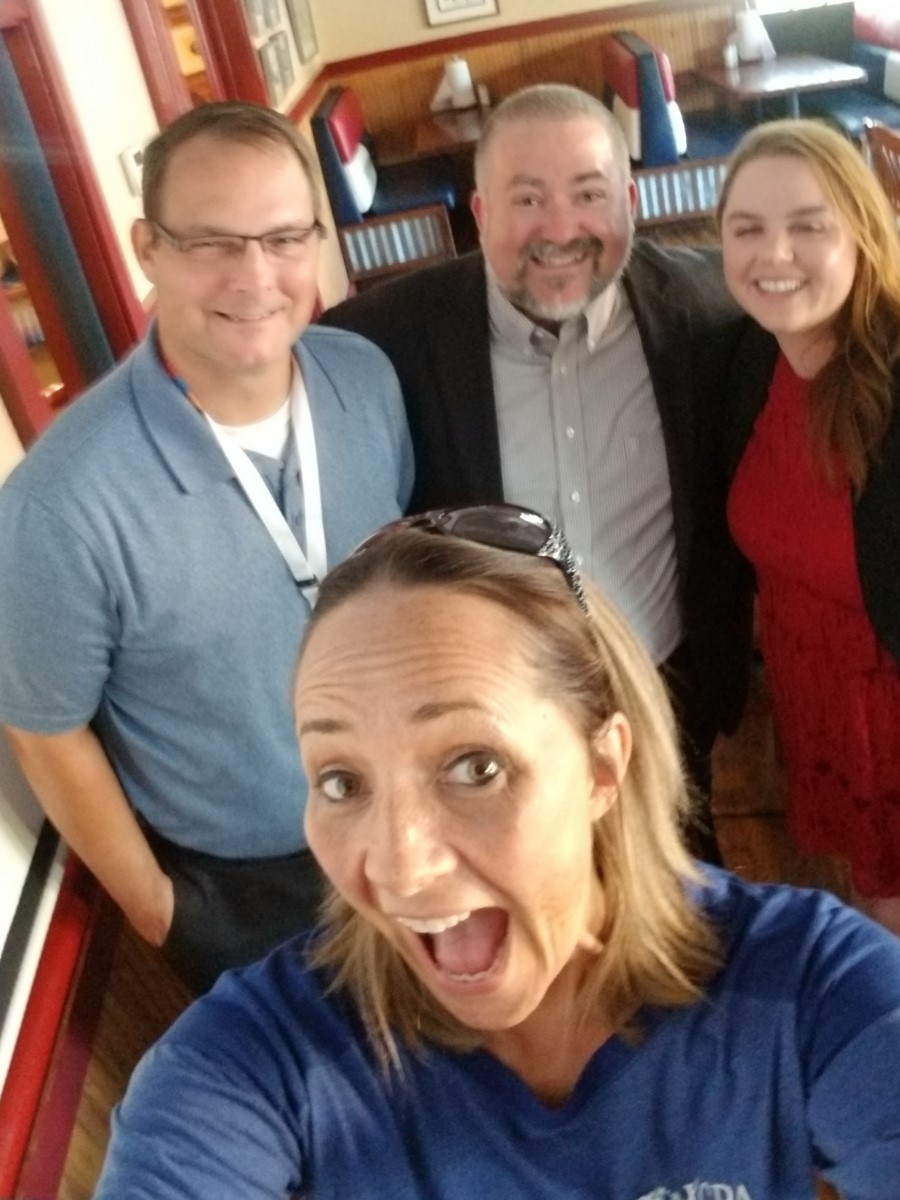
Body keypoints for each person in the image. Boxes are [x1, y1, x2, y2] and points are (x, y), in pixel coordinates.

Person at [95, 505, 900, 1198]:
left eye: (475, 767)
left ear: (602, 766)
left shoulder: (809, 987)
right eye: (342, 781)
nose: (401, 867)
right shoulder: (257, 1061)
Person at [0, 101, 413, 992]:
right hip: (250, 890)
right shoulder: (57, 507)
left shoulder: (367, 378)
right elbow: (45, 731)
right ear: (148, 249)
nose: (254, 277)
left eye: (283, 238)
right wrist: (158, 908)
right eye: (212, 243)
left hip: (412, 816)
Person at [320, 83, 751, 863]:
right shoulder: (381, 340)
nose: (560, 229)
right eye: (527, 199)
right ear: (481, 213)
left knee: (684, 873)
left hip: (666, 683)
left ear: (629, 202)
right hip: (490, 704)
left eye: (588, 194)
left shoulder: (714, 308)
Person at [718, 119, 900, 935]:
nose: (775, 253)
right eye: (747, 229)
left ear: (863, 233)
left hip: (890, 708)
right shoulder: (749, 361)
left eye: (809, 226)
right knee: (868, 909)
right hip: (816, 702)